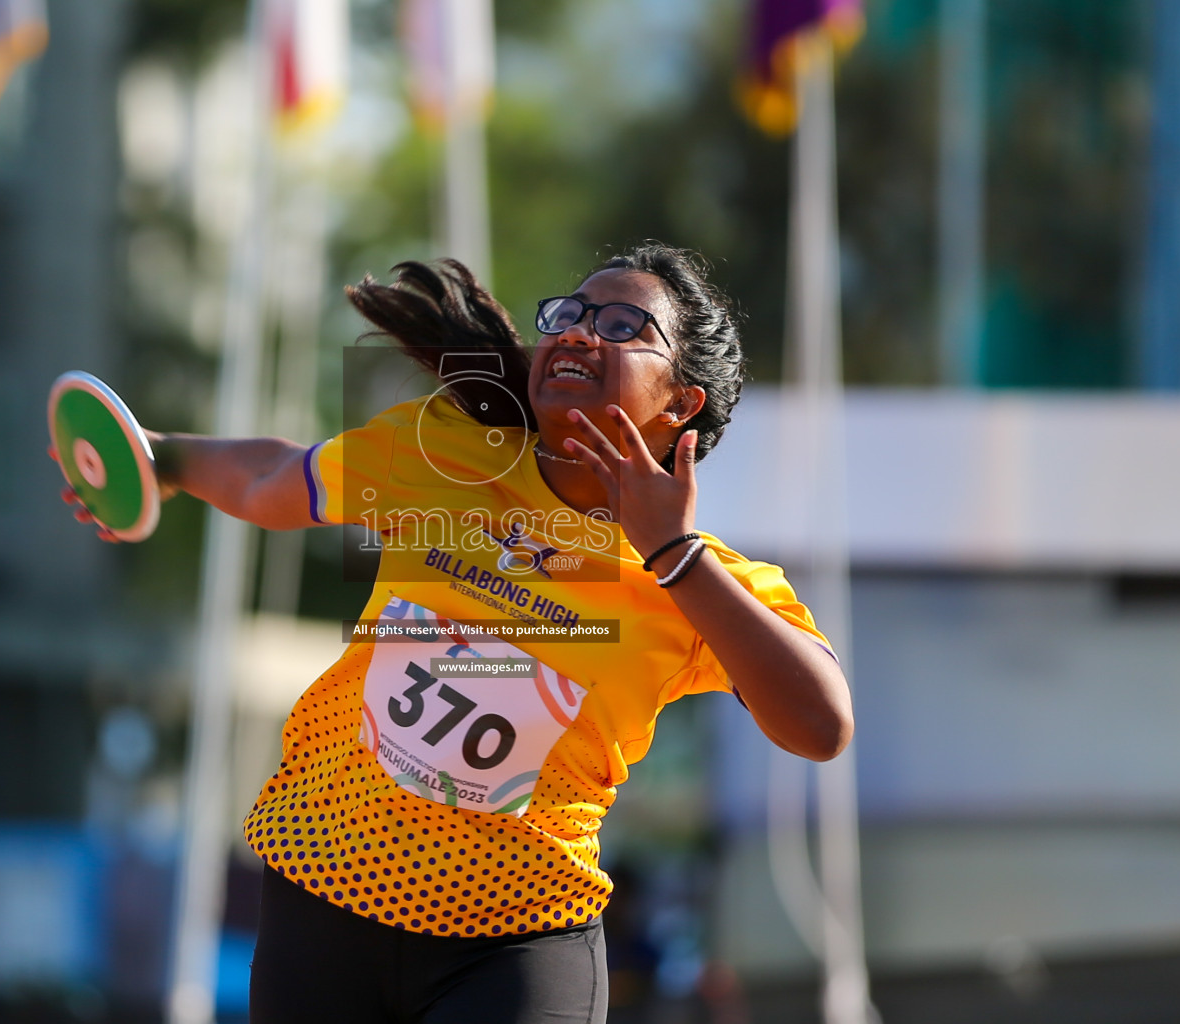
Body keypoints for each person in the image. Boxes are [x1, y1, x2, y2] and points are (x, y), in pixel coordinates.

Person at [64, 243, 853, 1024]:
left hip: (512, 945)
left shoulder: (698, 582)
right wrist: (160, 460)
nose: (578, 331)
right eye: (568, 314)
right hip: (327, 893)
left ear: (680, 402)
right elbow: (277, 480)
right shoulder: (444, 450)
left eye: (621, 324)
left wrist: (672, 554)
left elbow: (821, 727)